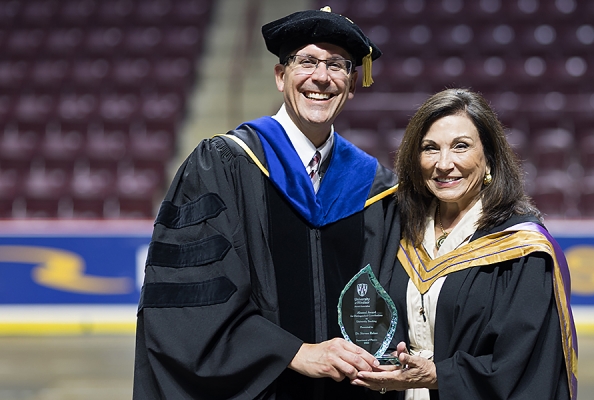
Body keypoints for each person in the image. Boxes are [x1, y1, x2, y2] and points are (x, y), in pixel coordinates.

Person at [133, 6, 400, 400]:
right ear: (280, 76)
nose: (321, 77)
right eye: (307, 61)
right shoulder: (224, 166)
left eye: (338, 65)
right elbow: (189, 301)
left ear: (352, 83)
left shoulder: (376, 185)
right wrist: (294, 352)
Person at [352, 89, 578, 399]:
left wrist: (437, 376)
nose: (444, 164)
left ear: (489, 158)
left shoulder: (521, 250)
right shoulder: (399, 229)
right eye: (430, 148)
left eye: (461, 147)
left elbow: (521, 363)